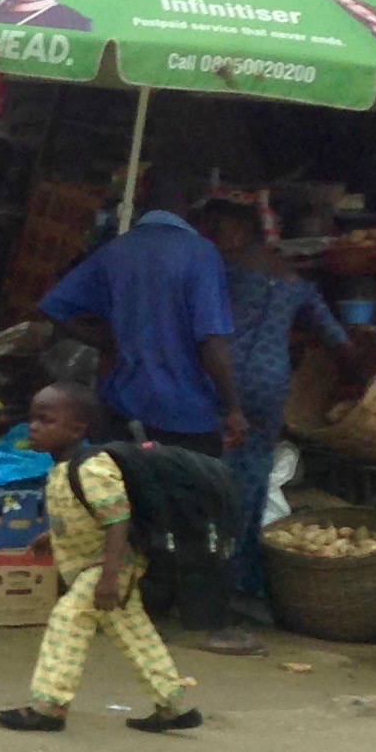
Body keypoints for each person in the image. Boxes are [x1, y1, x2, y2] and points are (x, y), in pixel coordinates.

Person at [37, 181, 253, 647]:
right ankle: (207, 623)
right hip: (186, 411)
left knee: (136, 510)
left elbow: (54, 305)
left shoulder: (116, 252)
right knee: (201, 513)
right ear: (186, 210)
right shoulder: (201, 255)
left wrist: (105, 341)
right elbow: (212, 340)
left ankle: (142, 607)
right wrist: (233, 406)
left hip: (125, 404)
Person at [0, 383, 200, 735]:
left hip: (108, 566)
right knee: (134, 632)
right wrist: (53, 536)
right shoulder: (63, 468)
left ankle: (48, 706)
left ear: (77, 429)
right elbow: (88, 513)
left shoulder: (91, 467)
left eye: (46, 420)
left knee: (68, 619)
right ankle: (172, 703)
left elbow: (117, 518)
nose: (34, 426)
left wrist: (109, 575)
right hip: (101, 565)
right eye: (33, 418)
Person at [216, 209, 373, 617]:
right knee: (253, 477)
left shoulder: (222, 270)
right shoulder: (294, 281)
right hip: (270, 383)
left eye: (216, 230)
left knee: (216, 475)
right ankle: (247, 581)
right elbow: (337, 339)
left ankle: (217, 578)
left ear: (236, 231)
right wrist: (362, 375)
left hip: (223, 380)